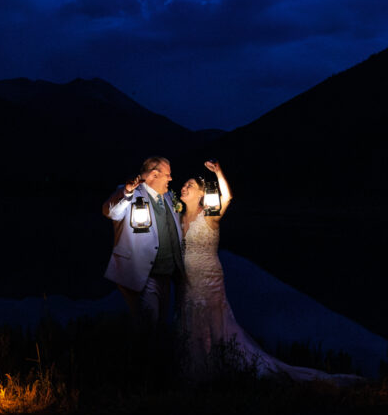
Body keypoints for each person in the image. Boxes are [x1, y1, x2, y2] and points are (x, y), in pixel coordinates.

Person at [178, 160, 363, 385]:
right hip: (187, 280)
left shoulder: (209, 216)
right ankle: (195, 369)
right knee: (191, 320)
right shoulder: (179, 219)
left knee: (214, 322)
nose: (184, 187)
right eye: (184, 184)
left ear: (200, 194)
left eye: (190, 185)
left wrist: (218, 173)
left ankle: (221, 365)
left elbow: (227, 197)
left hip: (208, 278)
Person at [103, 156, 184, 327]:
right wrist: (127, 193)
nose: (171, 178)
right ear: (154, 174)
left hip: (167, 275)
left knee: (162, 322)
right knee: (147, 324)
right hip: (143, 274)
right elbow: (111, 212)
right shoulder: (130, 193)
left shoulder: (169, 196)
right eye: (167, 175)